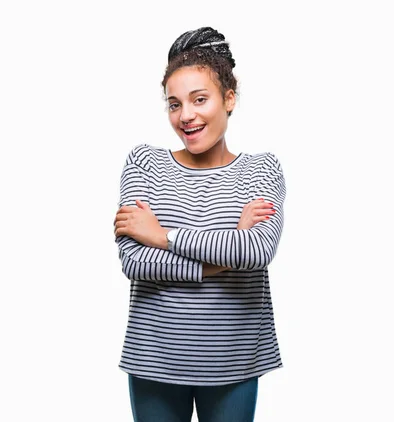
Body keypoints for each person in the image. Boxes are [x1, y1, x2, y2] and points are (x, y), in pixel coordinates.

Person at [113, 27, 286, 422]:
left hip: (233, 362)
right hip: (154, 359)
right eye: (174, 104)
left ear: (229, 99)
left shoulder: (261, 169)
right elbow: (135, 263)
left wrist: (161, 235)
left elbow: (258, 251)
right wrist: (227, 253)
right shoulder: (145, 164)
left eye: (199, 99)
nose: (185, 115)